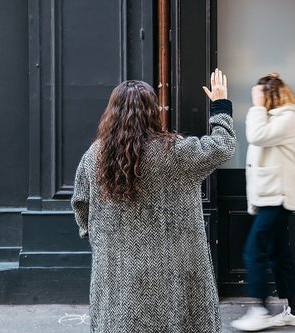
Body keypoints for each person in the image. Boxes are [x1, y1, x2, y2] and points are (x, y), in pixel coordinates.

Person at [71, 69, 235, 333]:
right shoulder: (175, 152)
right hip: (172, 272)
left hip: (119, 275)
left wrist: (102, 237)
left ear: (111, 112)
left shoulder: (94, 156)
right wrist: (220, 105)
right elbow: (223, 146)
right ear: (153, 110)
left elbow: (80, 203)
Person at [231, 73, 295, 331]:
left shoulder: (286, 118)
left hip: (277, 197)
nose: (255, 99)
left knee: (254, 252)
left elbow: (257, 136)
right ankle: (294, 312)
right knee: (279, 254)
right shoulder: (275, 118)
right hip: (270, 196)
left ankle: (259, 309)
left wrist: (257, 107)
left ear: (268, 96)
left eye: (259, 94)